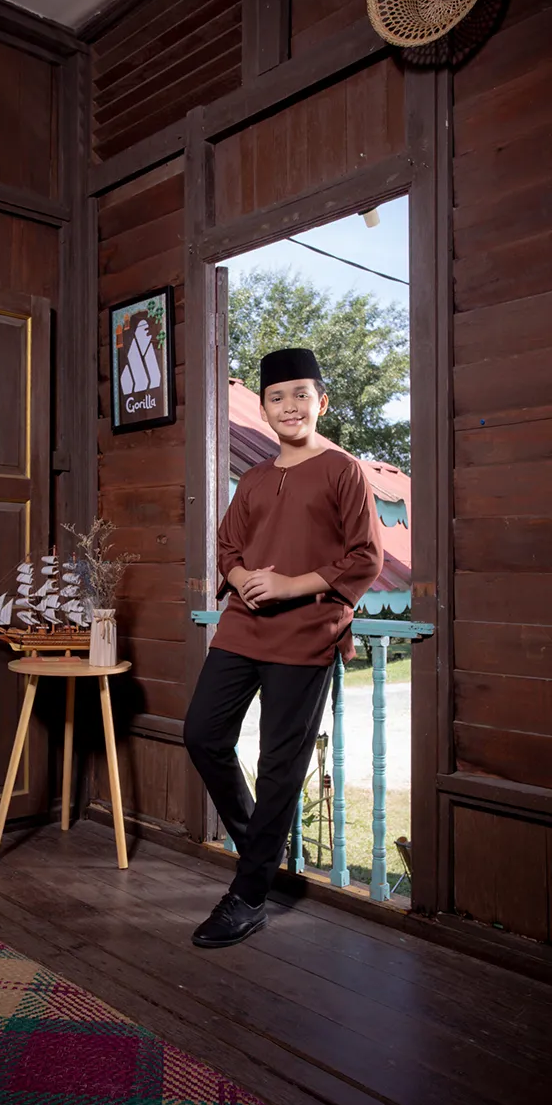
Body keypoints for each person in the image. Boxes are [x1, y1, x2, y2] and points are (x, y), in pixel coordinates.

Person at [184, 347, 383, 948]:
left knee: (279, 764)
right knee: (202, 733)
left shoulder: (344, 470)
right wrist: (243, 577)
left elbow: (365, 557)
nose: (289, 405)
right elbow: (227, 547)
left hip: (307, 631)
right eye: (277, 397)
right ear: (265, 409)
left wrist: (291, 585)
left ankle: (248, 895)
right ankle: (260, 850)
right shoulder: (253, 479)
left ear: (322, 402)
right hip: (243, 626)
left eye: (301, 394)